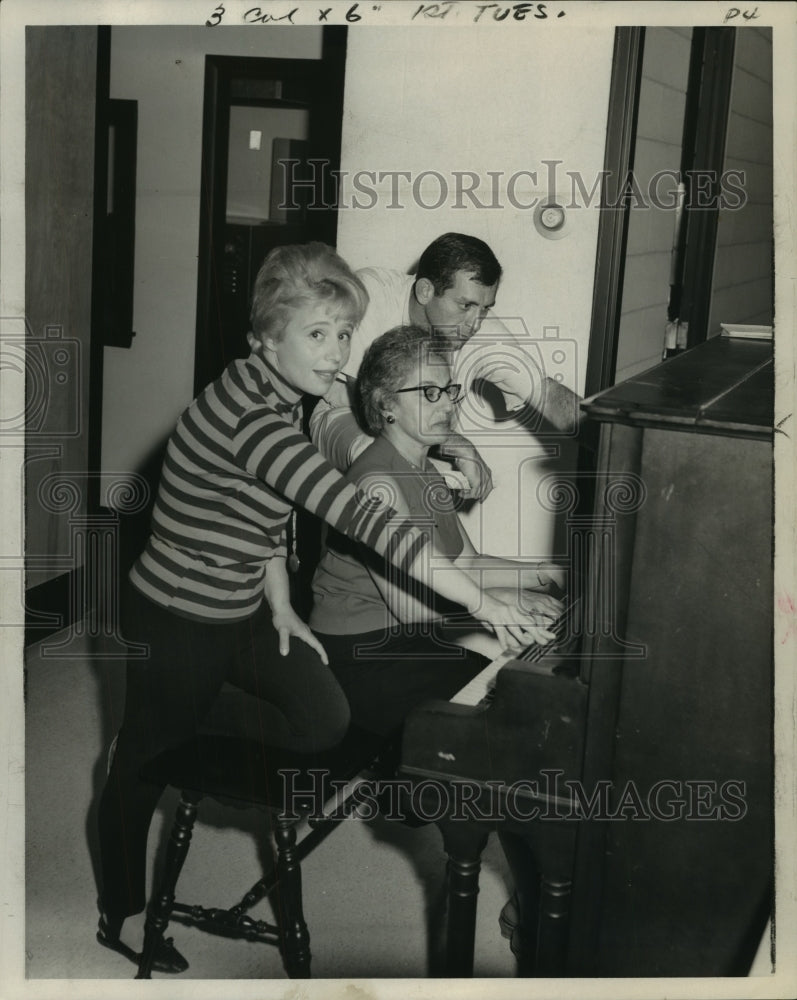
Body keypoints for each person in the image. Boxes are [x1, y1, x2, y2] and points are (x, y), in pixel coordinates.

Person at [95, 244, 546, 974]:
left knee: (324, 720)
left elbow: (267, 516)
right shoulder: (253, 420)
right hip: (176, 617)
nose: (337, 352)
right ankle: (118, 909)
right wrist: (481, 602)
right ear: (264, 338)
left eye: (343, 334)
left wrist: (278, 603)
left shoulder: (279, 398)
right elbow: (360, 517)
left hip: (241, 607)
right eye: (317, 334)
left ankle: (194, 711)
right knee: (143, 763)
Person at [310, 325, 565, 741]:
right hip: (361, 655)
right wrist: (500, 602)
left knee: (503, 688)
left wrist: (546, 571)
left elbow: (465, 562)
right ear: (386, 403)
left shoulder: (425, 469)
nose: (448, 404)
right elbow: (408, 608)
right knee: (494, 710)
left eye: (450, 390)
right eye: (430, 392)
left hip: (402, 644)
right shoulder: (377, 482)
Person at [308, 232, 583, 495]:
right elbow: (371, 405)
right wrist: (454, 443)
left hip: (425, 444)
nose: (474, 324)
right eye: (465, 306)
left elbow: (546, 394)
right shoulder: (373, 292)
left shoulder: (479, 328)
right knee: (382, 460)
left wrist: (610, 438)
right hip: (347, 418)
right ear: (426, 290)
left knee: (433, 494)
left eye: (485, 308)